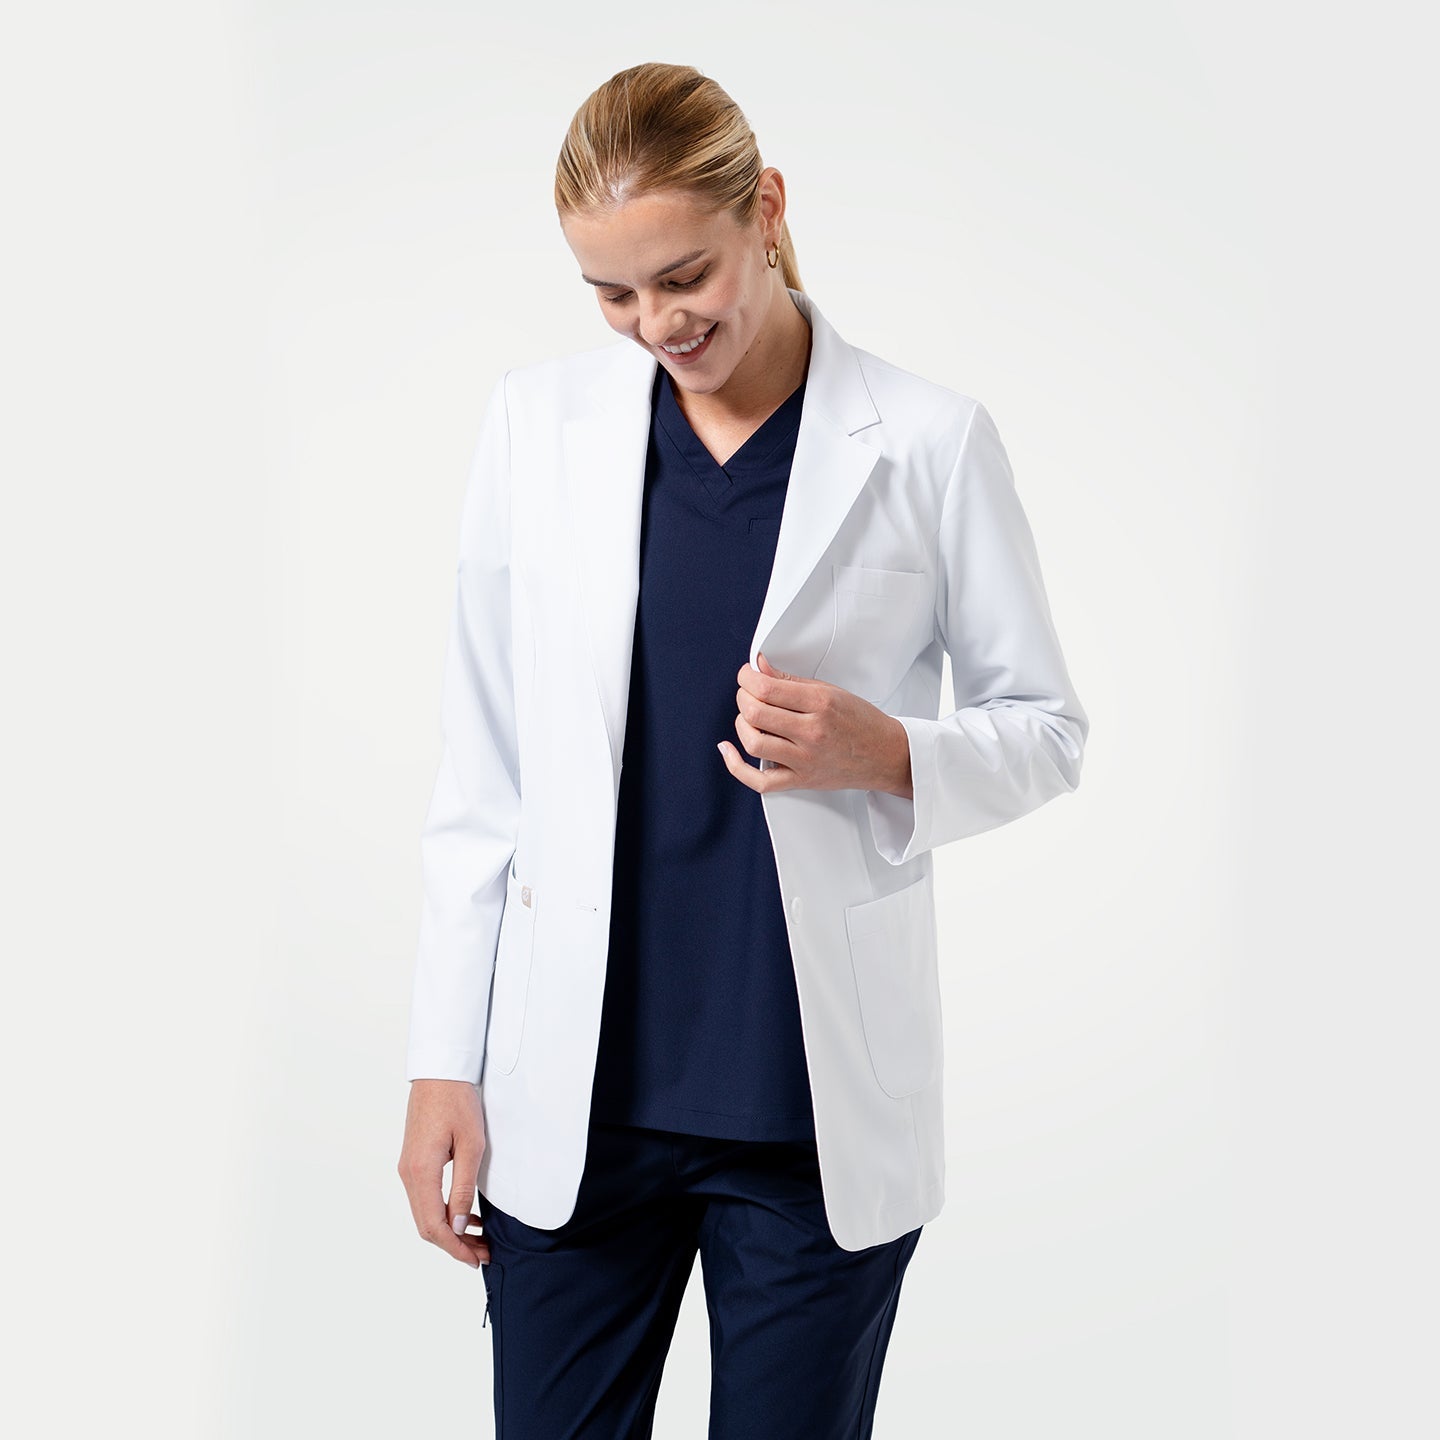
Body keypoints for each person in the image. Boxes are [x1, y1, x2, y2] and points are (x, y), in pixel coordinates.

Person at [397, 61, 1088, 1439]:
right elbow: (484, 774)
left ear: (765, 210)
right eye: (612, 291)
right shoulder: (537, 429)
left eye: (683, 275)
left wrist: (887, 747)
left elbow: (1049, 730)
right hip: (573, 1111)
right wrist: (440, 1061)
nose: (655, 322)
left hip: (807, 1117)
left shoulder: (931, 444)